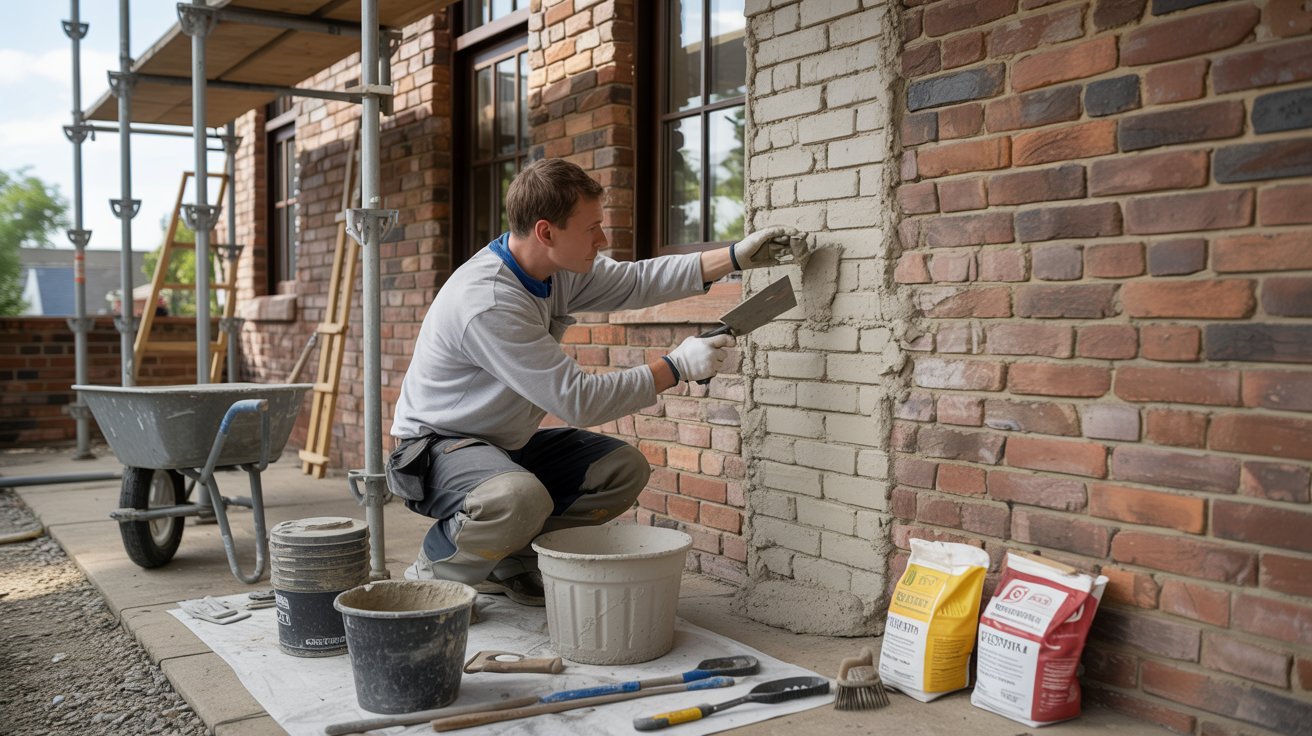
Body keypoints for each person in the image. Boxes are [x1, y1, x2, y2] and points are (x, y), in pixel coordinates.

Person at [388, 158, 804, 605]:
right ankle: (432, 572)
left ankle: (509, 560)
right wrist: (676, 367)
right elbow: (578, 401)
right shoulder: (489, 301)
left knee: (618, 471)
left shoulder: (553, 270)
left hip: (501, 445)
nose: (602, 239)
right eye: (592, 229)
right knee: (515, 497)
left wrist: (735, 257)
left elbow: (635, 280)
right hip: (435, 452)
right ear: (547, 232)